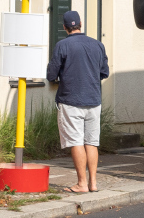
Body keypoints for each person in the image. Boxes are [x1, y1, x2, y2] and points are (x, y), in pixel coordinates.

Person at [46, 11, 108, 194]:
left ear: (64, 27)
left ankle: (81, 183)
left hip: (70, 100)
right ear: (81, 23)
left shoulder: (62, 45)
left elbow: (51, 75)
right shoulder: (98, 45)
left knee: (76, 142)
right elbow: (104, 72)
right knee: (92, 142)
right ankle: (93, 183)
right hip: (94, 101)